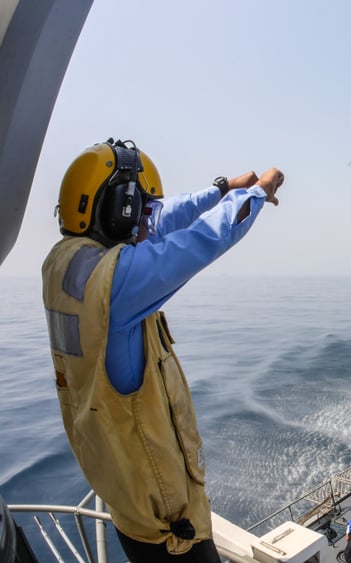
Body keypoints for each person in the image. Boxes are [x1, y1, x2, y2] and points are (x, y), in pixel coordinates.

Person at [41, 138, 284, 561]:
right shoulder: (119, 284)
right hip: (170, 528)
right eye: (141, 208)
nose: (148, 220)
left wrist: (220, 188)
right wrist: (256, 193)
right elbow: (202, 240)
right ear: (120, 211)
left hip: (126, 497)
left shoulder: (68, 263)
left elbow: (161, 222)